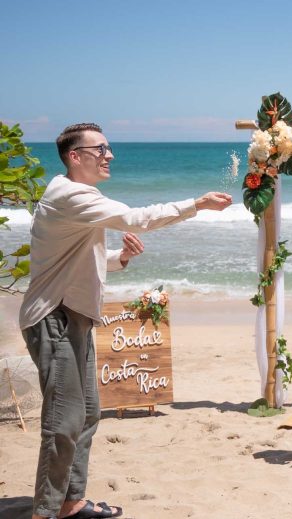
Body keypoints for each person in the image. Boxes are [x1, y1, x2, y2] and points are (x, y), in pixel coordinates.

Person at [19, 123, 232, 519]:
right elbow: (137, 218)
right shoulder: (71, 195)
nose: (110, 155)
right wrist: (197, 204)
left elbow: (79, 260)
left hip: (75, 316)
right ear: (74, 156)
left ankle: (70, 502)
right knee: (64, 421)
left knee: (87, 414)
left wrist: (122, 259)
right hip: (55, 317)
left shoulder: (79, 196)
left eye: (108, 147)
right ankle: (45, 511)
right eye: (100, 149)